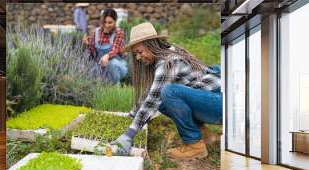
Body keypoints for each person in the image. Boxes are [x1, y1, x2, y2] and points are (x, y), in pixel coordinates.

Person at [111, 22, 222, 160]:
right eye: (136, 54)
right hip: (214, 103)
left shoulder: (167, 62)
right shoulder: (166, 56)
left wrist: (129, 135)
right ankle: (205, 136)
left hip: (222, 104)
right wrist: (130, 117)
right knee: (163, 100)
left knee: (169, 92)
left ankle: (194, 146)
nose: (138, 57)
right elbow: (150, 93)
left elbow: (153, 99)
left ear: (151, 44)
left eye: (139, 52)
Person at [83, 8, 128, 83]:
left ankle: (116, 88)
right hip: (100, 64)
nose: (106, 25)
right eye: (104, 22)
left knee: (111, 64)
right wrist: (88, 45)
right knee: (92, 68)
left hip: (118, 65)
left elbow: (115, 50)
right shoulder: (96, 32)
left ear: (115, 21)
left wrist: (107, 56)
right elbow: (93, 55)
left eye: (110, 22)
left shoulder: (119, 32)